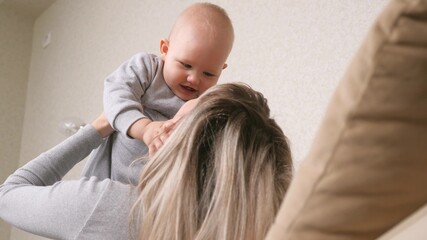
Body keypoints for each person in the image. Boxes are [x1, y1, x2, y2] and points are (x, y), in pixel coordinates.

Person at [0, 83, 293, 240]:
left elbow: (8, 194)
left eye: (173, 119)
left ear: (181, 147)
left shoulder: (110, 207)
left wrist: (98, 127)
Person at [82, 2, 235, 185]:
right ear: (165, 50)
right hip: (104, 179)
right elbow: (116, 94)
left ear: (221, 70)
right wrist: (145, 128)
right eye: (186, 65)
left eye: (208, 74)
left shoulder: (205, 106)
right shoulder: (148, 69)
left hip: (150, 198)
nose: (194, 79)